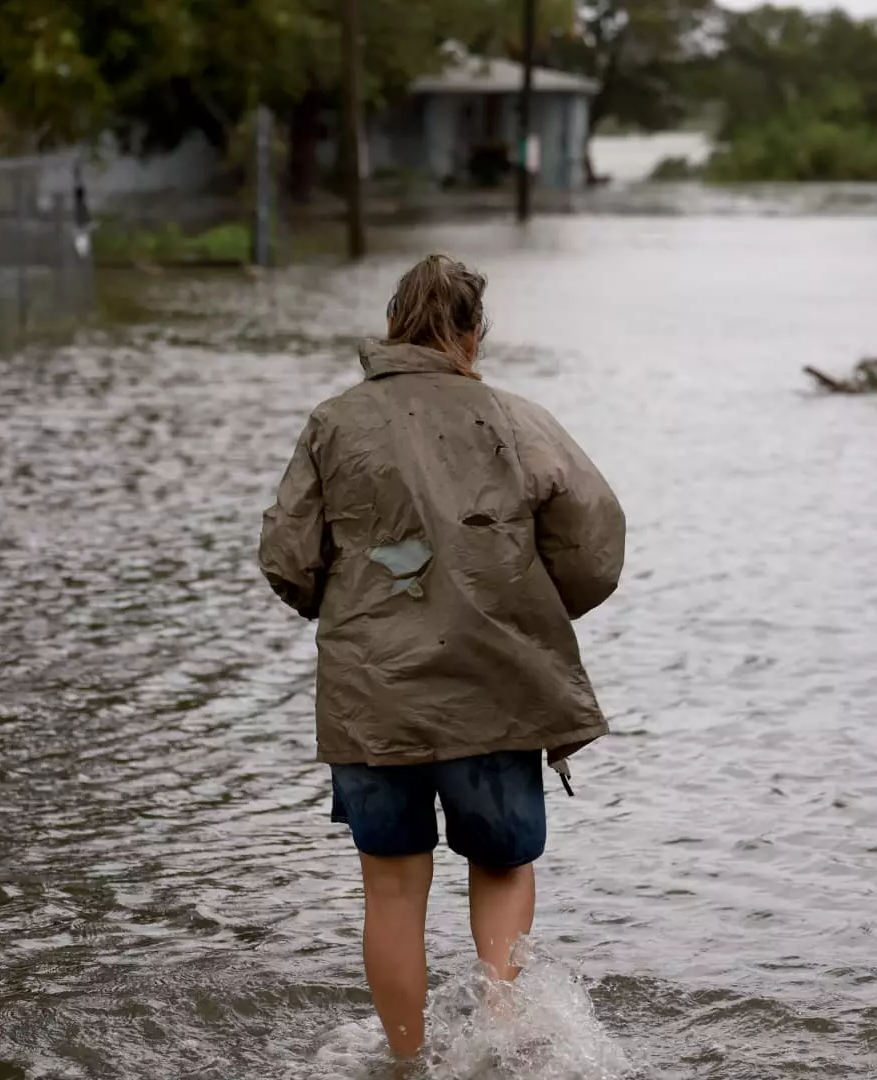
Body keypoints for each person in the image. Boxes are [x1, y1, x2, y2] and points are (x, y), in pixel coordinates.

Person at [258, 254, 626, 1063]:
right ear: (471, 334)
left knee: (391, 889)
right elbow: (595, 543)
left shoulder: (332, 424)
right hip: (494, 687)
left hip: (371, 697)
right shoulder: (514, 419)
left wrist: (359, 608)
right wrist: (522, 604)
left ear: (393, 326)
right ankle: (499, 1045)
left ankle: (404, 1061)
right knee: (500, 866)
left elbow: (287, 559)